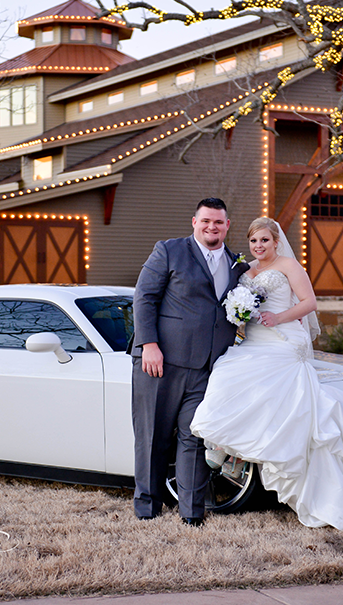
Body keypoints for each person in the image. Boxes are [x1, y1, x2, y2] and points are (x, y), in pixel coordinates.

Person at [190, 217, 343, 529]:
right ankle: (227, 451)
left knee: (272, 391)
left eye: (264, 241)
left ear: (276, 242)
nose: (259, 246)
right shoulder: (244, 270)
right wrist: (238, 314)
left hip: (283, 338)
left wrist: (280, 316)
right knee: (226, 373)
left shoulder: (288, 266)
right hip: (255, 339)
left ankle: (264, 457)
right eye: (254, 241)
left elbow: (310, 302)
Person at [130, 198, 249, 525]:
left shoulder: (237, 263)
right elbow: (144, 297)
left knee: (194, 438)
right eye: (206, 221)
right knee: (152, 437)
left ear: (227, 225)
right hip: (161, 363)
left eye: (219, 222)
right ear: (194, 222)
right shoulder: (169, 250)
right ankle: (147, 509)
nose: (212, 227)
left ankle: (192, 514)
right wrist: (149, 344)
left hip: (208, 366)